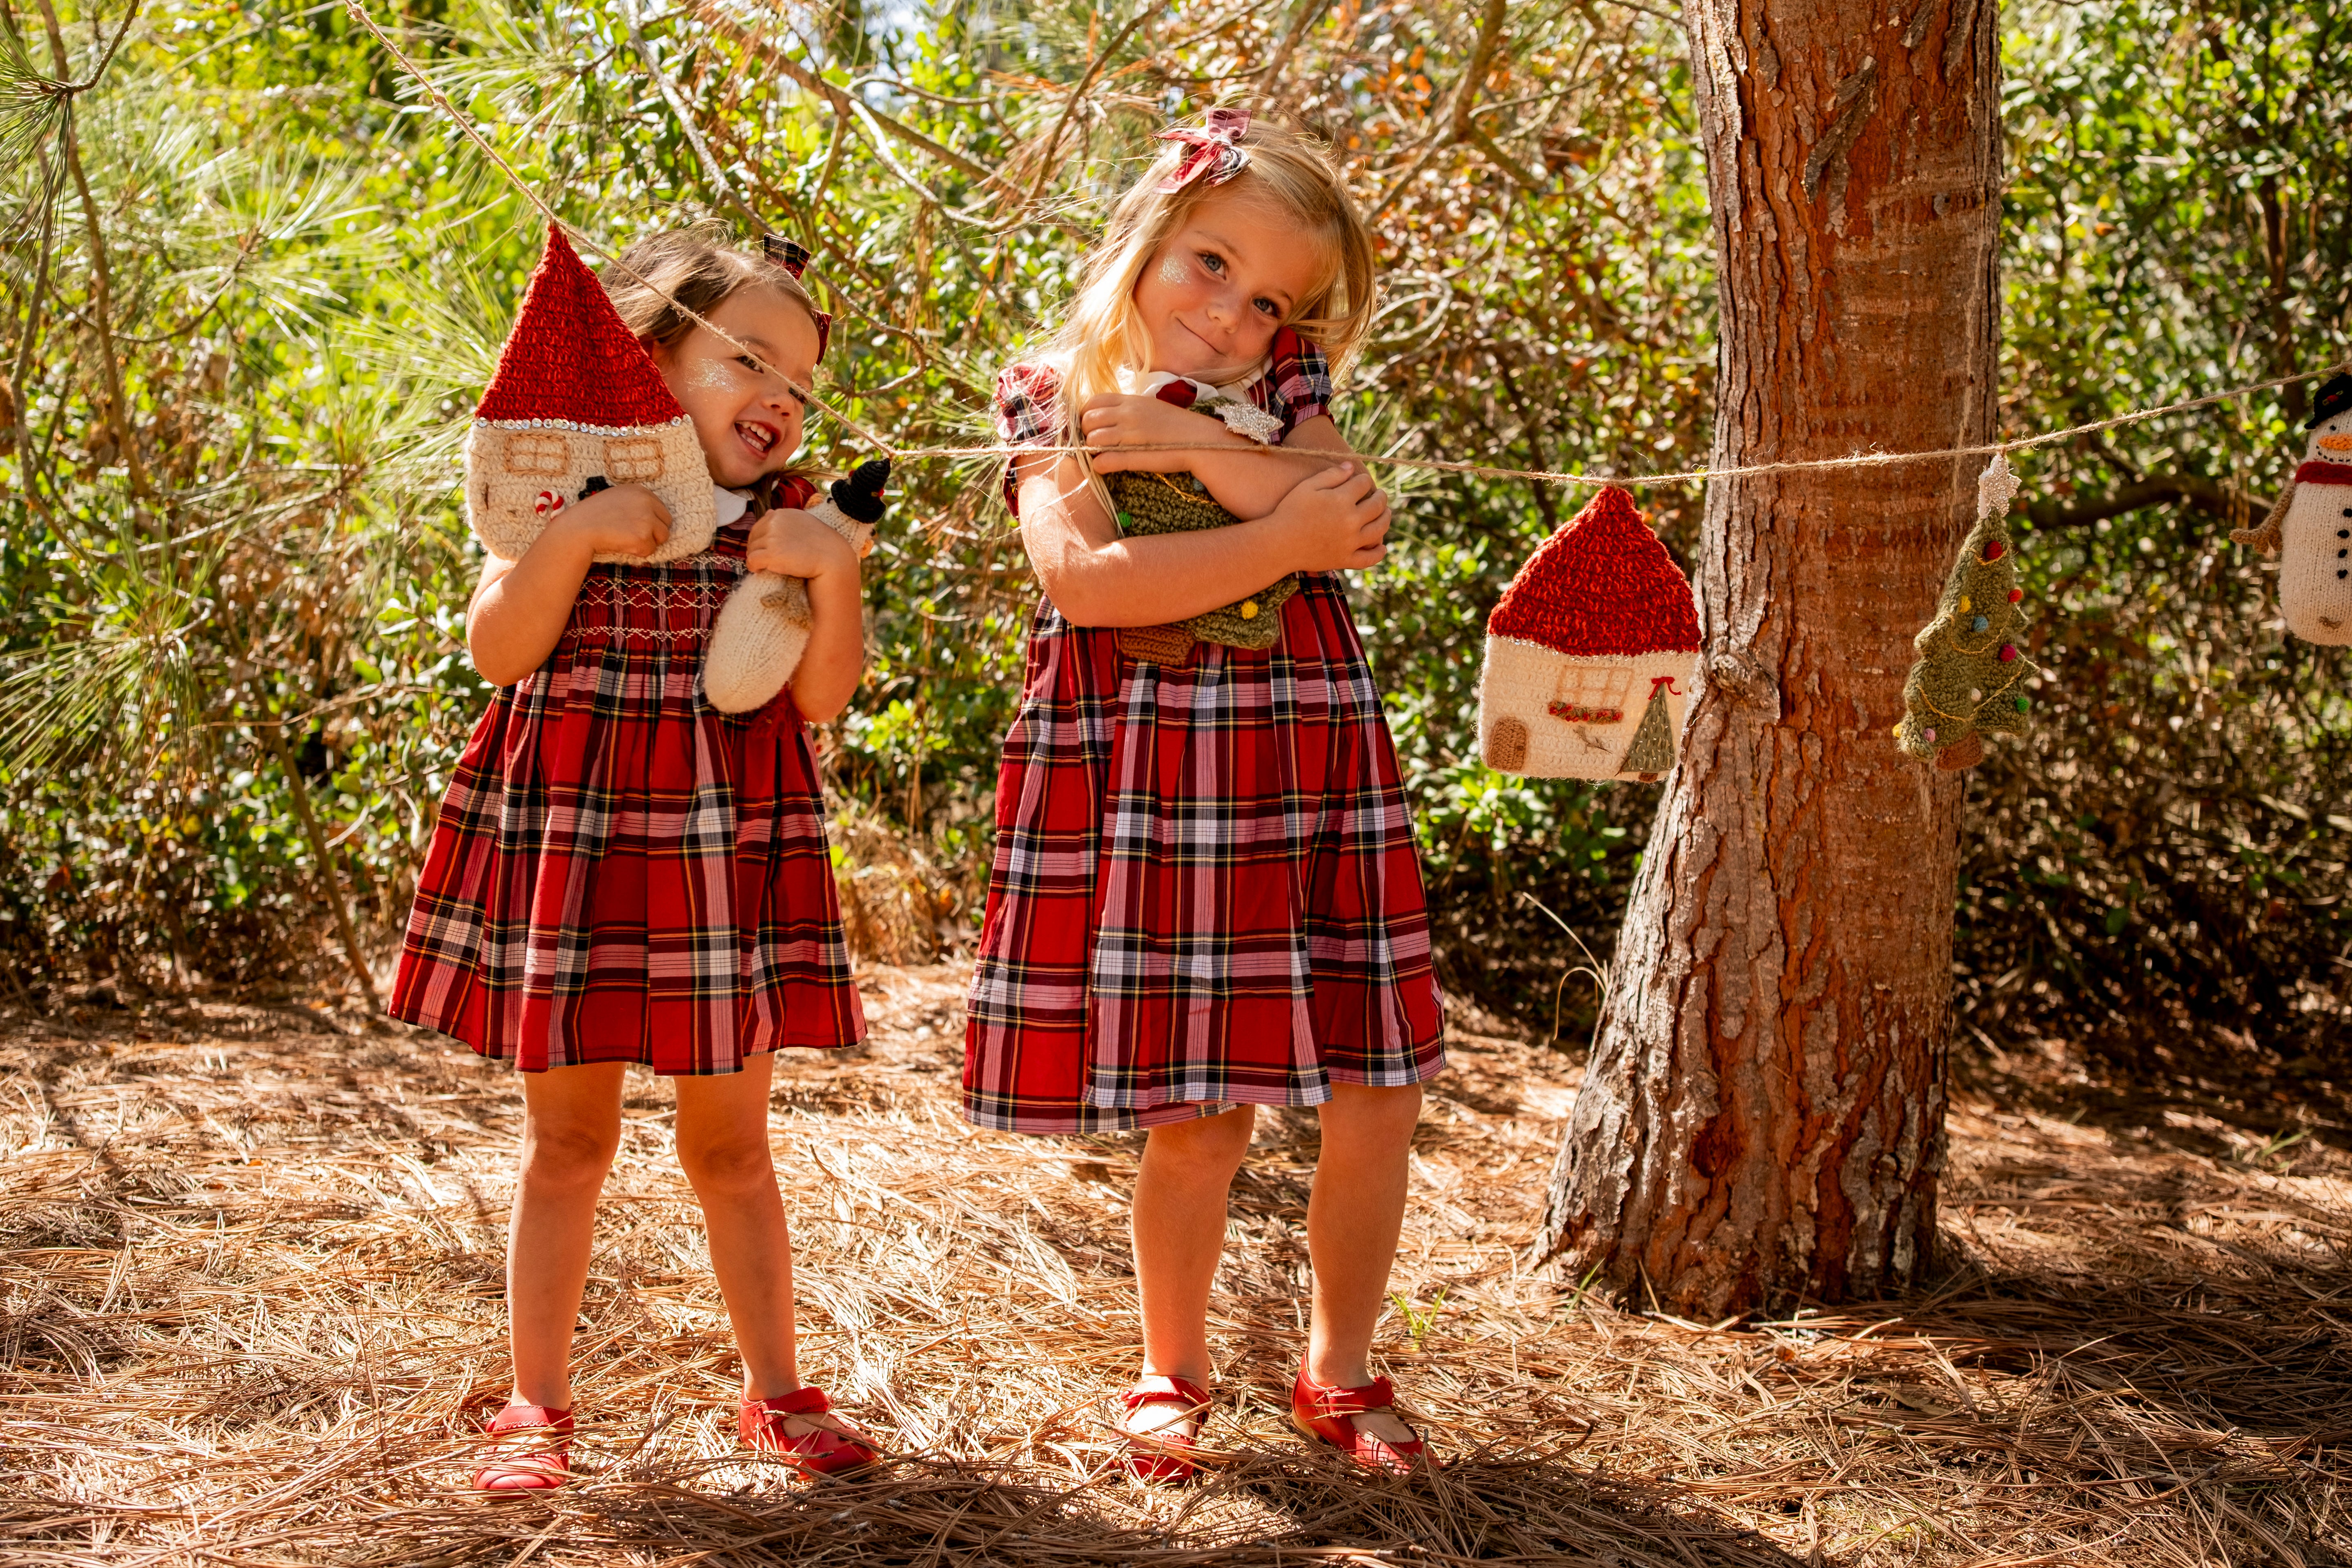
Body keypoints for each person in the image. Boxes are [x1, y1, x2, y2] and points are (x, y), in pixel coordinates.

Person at [963, 111, 1448, 1479]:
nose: (1234, 313)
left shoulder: (1287, 386)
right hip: (1164, 762)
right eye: (1209, 265)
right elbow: (1091, 587)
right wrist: (1278, 528)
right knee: (1200, 1108)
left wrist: (1211, 477)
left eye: (1271, 299)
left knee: (1378, 1085)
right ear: (1144, 241)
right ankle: (1169, 1371)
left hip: (1310, 753)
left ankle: (1341, 1369)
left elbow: (1348, 515)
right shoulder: (1050, 393)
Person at [390, 226, 880, 1490]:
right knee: (569, 1144)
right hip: (586, 844)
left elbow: (822, 698)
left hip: (725, 859)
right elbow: (500, 653)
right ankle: (536, 1405)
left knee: (733, 1149)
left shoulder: (788, 520)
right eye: (749, 358)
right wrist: (579, 537)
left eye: (802, 381)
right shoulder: (560, 492)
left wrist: (837, 577)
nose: (780, 396)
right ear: (649, 352)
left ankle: (777, 1389)